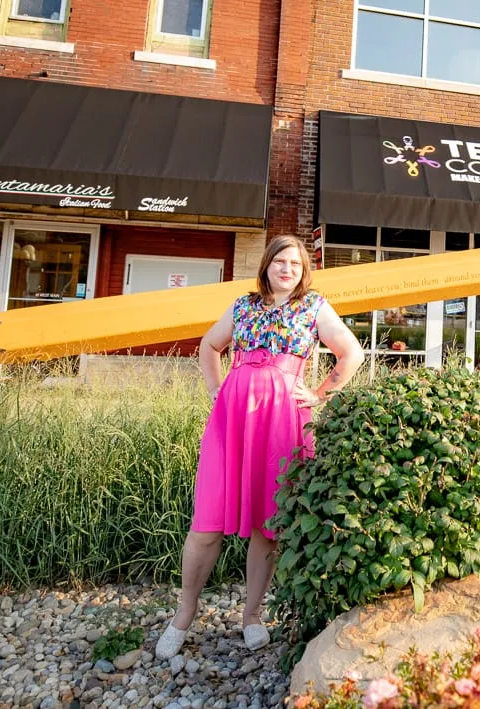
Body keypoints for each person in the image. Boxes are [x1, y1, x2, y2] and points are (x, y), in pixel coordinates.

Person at [155, 235, 364, 659]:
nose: (287, 269)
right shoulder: (243, 305)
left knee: (268, 524)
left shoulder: (314, 307)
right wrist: (216, 387)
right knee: (206, 523)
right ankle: (184, 614)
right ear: (266, 265)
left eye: (295, 263)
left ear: (304, 271)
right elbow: (210, 346)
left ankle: (252, 616)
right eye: (280, 261)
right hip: (232, 419)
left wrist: (321, 394)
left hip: (282, 420)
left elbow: (351, 353)